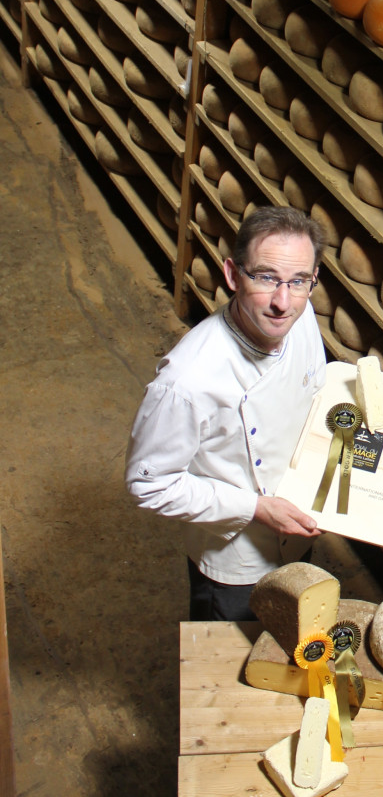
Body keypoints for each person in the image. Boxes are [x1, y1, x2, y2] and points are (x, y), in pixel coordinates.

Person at [126, 205, 327, 621]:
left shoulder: (302, 315)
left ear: (313, 280)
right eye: (265, 277)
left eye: (298, 281)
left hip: (301, 522)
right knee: (226, 666)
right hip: (236, 556)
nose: (282, 302)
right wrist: (255, 508)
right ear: (233, 275)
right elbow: (147, 484)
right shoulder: (187, 381)